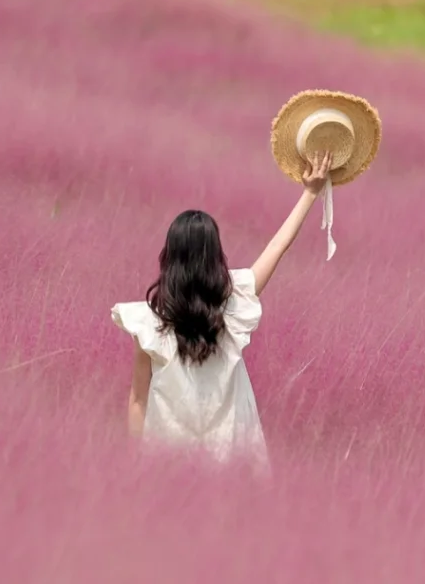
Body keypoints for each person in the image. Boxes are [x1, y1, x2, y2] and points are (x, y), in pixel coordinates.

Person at [111, 151, 334, 468]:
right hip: (233, 461)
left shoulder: (148, 322)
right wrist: (310, 193)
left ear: (169, 257)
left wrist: (134, 465)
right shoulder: (234, 302)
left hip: (166, 467)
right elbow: (277, 246)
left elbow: (137, 399)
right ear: (215, 256)